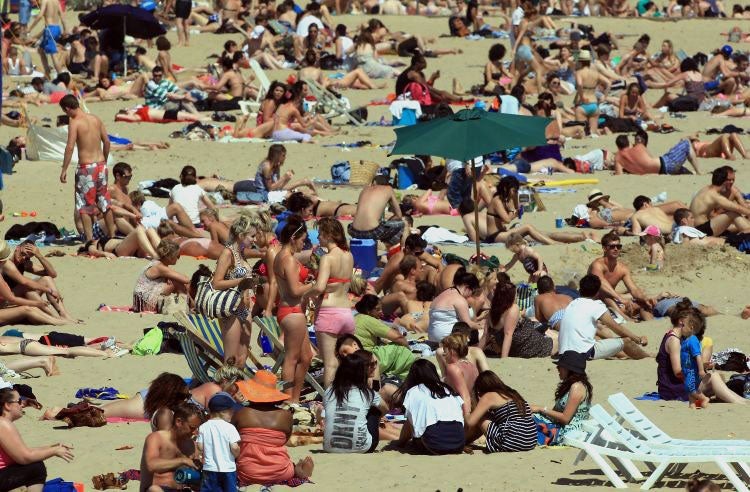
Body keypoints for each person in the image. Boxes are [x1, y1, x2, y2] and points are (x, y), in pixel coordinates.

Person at [233, 371, 314, 486]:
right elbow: (284, 440)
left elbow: (231, 439)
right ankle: (297, 472)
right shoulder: (286, 415)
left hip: (247, 473)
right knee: (286, 464)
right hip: (281, 472)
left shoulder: (241, 414)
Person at [657, 305, 746, 404]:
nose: (692, 332)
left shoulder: (675, 337)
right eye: (691, 327)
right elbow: (678, 372)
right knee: (713, 377)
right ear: (681, 321)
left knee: (718, 377)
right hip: (673, 390)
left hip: (674, 386)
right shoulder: (674, 341)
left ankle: (740, 400)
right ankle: (740, 402)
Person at [304, 218, 354, 387]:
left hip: (328, 313)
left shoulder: (327, 258)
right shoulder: (349, 255)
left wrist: (304, 294)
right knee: (345, 362)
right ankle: (344, 397)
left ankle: (330, 403)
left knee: (330, 364)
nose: (318, 237)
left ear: (329, 235)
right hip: (346, 313)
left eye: (320, 233)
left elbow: (319, 288)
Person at [59, 95, 115, 242]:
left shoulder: (75, 123)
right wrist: (104, 159)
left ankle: (90, 240)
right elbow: (107, 142)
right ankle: (112, 236)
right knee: (105, 202)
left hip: (86, 168)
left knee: (84, 205)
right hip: (101, 165)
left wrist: (64, 169)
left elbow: (70, 147)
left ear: (67, 108)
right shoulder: (95, 119)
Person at [559, 274, 650, 360]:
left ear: (580, 289)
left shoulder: (573, 303)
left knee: (599, 339)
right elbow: (616, 328)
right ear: (597, 292)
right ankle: (647, 357)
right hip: (583, 353)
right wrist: (638, 339)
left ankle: (626, 355)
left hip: (563, 352)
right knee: (626, 341)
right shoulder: (595, 305)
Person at [0, 387, 74, 492]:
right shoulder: (3, 424)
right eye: (19, 401)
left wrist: (51, 447)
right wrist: (54, 451)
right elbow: (24, 457)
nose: (22, 405)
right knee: (36, 468)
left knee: (34, 464)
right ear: (7, 405)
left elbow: (24, 452)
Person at [274, 216, 314, 403]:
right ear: (293, 238)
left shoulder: (282, 256)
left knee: (306, 357)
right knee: (291, 358)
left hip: (291, 310)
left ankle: (294, 400)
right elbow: (295, 290)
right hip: (291, 311)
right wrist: (314, 285)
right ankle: (287, 399)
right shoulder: (288, 260)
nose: (303, 243)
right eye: (302, 240)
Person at [211, 215, 257, 367]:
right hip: (232, 310)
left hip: (246, 309)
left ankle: (237, 389)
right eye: (252, 236)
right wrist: (241, 281)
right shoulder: (228, 253)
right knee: (231, 360)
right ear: (241, 235)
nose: (255, 239)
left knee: (242, 359)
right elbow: (216, 283)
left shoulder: (241, 253)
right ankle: (227, 389)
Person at [392, 359, 465, 455]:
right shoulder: (447, 389)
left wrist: (400, 442)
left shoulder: (414, 391)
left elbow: (410, 423)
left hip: (433, 444)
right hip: (458, 442)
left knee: (415, 427)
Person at [323, 351, 389, 453]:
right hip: (363, 448)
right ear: (360, 370)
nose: (374, 367)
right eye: (370, 365)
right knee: (374, 410)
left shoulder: (329, 391)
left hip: (329, 447)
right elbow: (385, 409)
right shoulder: (367, 393)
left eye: (375, 363)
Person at [1, 240, 75, 323]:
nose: (24, 258)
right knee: (27, 287)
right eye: (23, 254)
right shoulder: (5, 262)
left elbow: (52, 274)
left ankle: (64, 315)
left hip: (18, 296)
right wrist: (50, 290)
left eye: (27, 257)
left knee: (47, 279)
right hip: (6, 300)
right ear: (17, 248)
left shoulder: (24, 263)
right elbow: (24, 282)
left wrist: (39, 256)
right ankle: (53, 317)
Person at [588, 231, 657, 320]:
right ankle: (625, 318)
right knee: (605, 294)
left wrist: (645, 298)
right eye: (612, 247)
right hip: (593, 301)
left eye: (618, 246)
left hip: (611, 304)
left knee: (643, 303)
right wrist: (620, 298)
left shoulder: (622, 268)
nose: (616, 249)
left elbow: (634, 289)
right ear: (604, 248)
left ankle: (650, 324)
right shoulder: (597, 265)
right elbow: (601, 283)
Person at [464, 371, 537, 453]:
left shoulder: (489, 396)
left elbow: (470, 422)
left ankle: (461, 442)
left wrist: (466, 410)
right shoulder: (513, 393)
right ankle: (464, 442)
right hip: (530, 440)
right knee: (489, 416)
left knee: (481, 416)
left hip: (512, 442)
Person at [139, 402, 203, 491]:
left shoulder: (192, 445)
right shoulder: (156, 438)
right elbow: (151, 465)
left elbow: (197, 478)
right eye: (192, 427)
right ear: (178, 422)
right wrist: (183, 460)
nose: (195, 432)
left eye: (197, 428)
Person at [530, 351, 592, 444]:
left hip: (569, 431)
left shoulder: (577, 387)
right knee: (528, 417)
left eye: (560, 366)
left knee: (528, 423)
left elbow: (565, 418)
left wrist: (541, 409)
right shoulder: (571, 385)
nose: (557, 368)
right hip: (562, 425)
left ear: (569, 369)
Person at [489, 281, 557, 358]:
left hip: (527, 343)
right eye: (516, 295)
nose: (517, 297)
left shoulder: (492, 311)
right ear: (510, 296)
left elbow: (486, 334)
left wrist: (479, 350)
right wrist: (504, 359)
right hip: (533, 347)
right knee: (557, 341)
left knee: (552, 336)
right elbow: (508, 335)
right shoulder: (513, 308)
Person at [196, 393, 241, 492]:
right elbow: (234, 447)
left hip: (209, 469)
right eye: (231, 412)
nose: (232, 415)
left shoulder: (203, 427)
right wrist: (237, 453)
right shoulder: (230, 427)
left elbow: (200, 447)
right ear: (223, 412)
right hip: (228, 469)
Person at [689, 166, 750, 237]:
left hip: (699, 227)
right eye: (729, 180)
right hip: (700, 230)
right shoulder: (714, 195)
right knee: (732, 214)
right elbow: (737, 208)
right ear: (724, 182)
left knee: (734, 226)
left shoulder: (706, 189)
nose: (732, 182)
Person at [132, 240, 190, 313]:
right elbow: (186, 279)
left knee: (175, 282)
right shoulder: (160, 268)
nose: (178, 258)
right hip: (143, 303)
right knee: (176, 282)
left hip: (139, 301)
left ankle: (187, 305)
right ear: (170, 257)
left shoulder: (157, 263)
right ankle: (189, 306)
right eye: (177, 256)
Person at [428, 271, 484, 343]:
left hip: (432, 338)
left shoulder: (442, 294)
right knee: (484, 334)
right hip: (449, 339)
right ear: (467, 287)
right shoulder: (459, 300)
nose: (470, 296)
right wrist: (482, 327)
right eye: (472, 292)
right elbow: (467, 324)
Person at [614, 131, 701, 176]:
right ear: (628, 143)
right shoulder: (639, 147)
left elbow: (619, 174)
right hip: (666, 164)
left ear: (618, 146)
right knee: (686, 142)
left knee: (676, 165)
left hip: (664, 170)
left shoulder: (617, 158)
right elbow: (651, 159)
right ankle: (698, 172)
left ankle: (692, 173)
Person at [348, 177, 405, 246]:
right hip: (373, 231)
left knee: (380, 225)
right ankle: (391, 249)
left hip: (354, 231)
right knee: (403, 224)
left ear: (374, 182)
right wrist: (389, 221)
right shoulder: (388, 189)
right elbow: (399, 215)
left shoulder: (365, 189)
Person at [441, 333, 478, 416]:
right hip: (474, 408)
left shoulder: (453, 368)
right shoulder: (471, 366)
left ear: (452, 351)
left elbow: (465, 396)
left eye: (445, 351)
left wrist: (467, 421)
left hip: (460, 412)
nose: (443, 354)